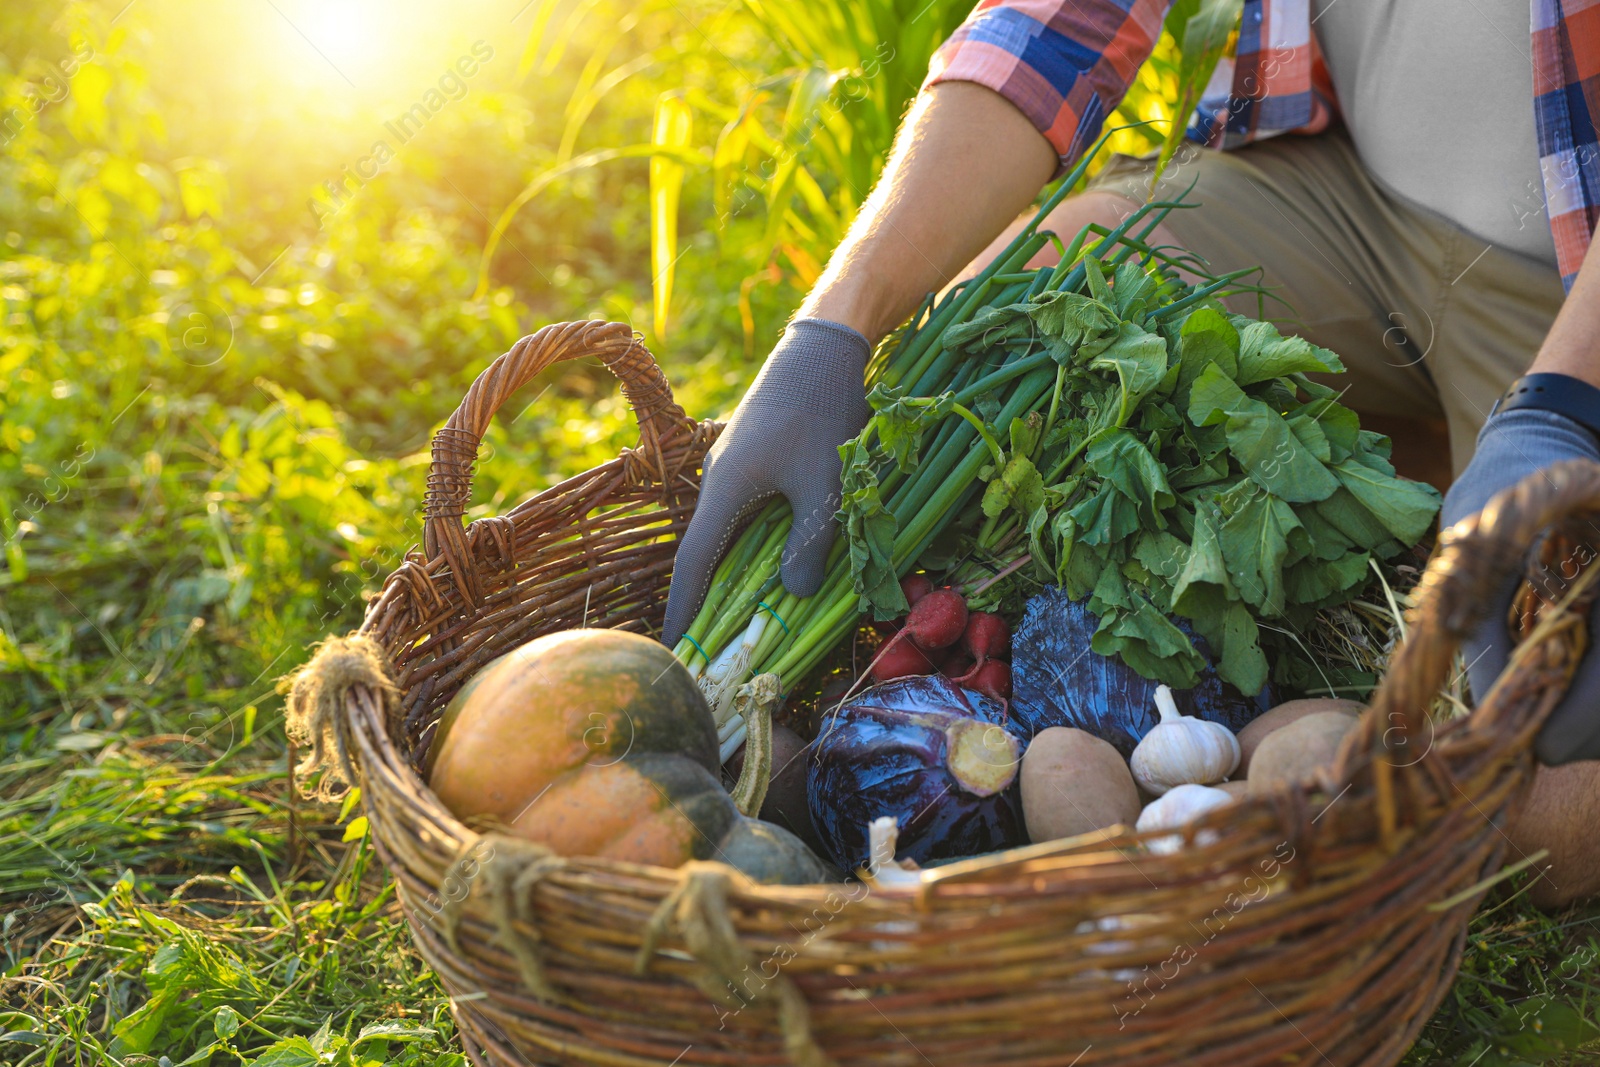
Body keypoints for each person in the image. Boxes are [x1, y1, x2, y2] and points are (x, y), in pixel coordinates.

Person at [662, 0, 1600, 904]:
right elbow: (1056, 18)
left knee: (1548, 810)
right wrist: (832, 329)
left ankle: (1258, 827)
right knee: (1012, 318)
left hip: (1571, 270)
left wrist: (1559, 408)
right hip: (1352, 194)